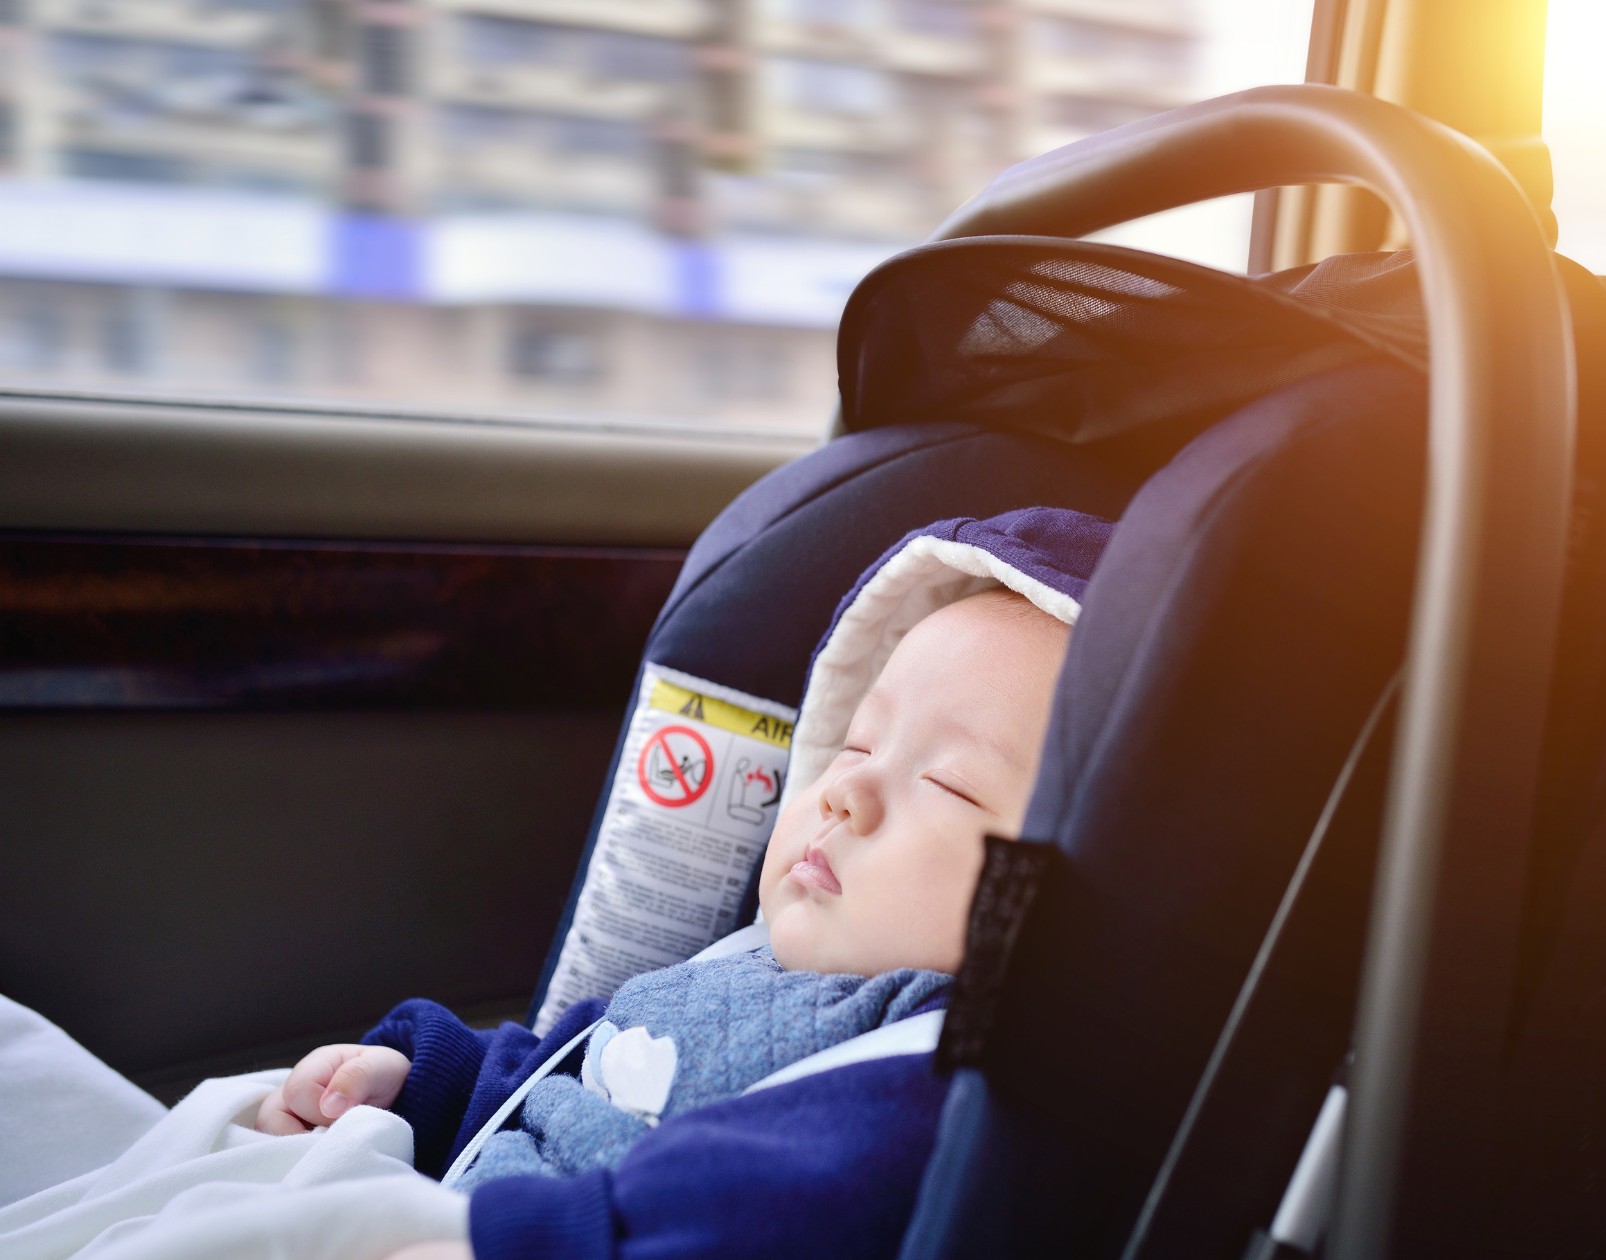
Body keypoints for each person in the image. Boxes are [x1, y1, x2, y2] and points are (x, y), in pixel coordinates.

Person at [0, 509, 1110, 1260]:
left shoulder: (916, 1070)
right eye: (853, 750)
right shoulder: (746, 961)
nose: (844, 798)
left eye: (952, 789)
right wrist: (421, 1080)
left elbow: (757, 1214)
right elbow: (563, 1077)